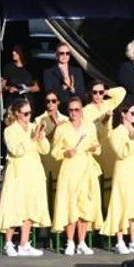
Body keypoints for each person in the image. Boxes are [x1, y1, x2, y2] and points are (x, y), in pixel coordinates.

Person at [0, 99, 50, 256]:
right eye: (25, 113)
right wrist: (31, 139)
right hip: (17, 173)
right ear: (17, 113)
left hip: (33, 171)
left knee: (30, 207)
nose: (28, 116)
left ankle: (24, 244)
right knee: (13, 207)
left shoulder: (32, 127)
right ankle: (9, 243)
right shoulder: (10, 130)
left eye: (30, 113)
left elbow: (45, 150)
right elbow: (16, 150)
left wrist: (41, 137)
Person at [50, 96, 104, 256]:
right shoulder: (62, 128)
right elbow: (54, 152)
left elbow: (97, 146)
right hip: (69, 170)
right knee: (70, 205)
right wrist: (65, 152)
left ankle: (82, 241)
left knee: (85, 206)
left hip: (86, 169)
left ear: (81, 111)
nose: (74, 113)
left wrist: (95, 148)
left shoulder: (89, 127)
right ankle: (70, 242)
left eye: (77, 110)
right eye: (71, 110)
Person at [102, 101, 134, 254]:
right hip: (124, 171)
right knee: (121, 204)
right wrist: (133, 138)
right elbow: (121, 152)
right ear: (123, 114)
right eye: (132, 113)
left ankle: (133, 240)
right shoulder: (116, 132)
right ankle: (119, 241)